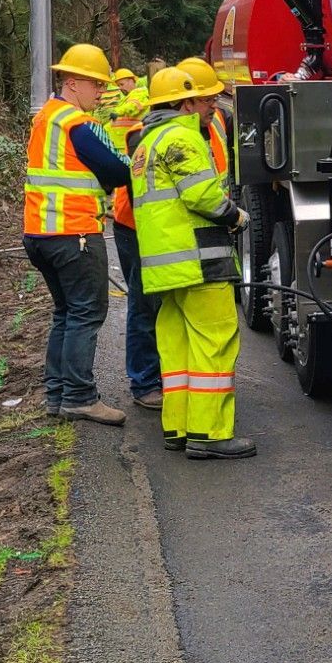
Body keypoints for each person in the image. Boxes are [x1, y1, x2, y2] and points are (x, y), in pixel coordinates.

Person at [131, 64, 255, 460]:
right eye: (206, 100)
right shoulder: (182, 137)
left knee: (177, 347)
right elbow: (202, 196)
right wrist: (236, 216)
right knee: (214, 343)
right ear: (185, 103)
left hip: (165, 269)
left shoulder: (146, 143)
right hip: (200, 262)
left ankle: (179, 428)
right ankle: (210, 434)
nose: (211, 108)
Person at [22, 43, 131, 425]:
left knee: (66, 313)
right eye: (96, 85)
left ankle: (57, 395)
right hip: (75, 233)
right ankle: (80, 397)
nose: (101, 92)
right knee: (85, 314)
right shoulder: (78, 124)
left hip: (40, 233)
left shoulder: (46, 117)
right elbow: (119, 170)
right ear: (72, 83)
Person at [99, 69, 161, 412]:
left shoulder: (207, 127)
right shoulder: (143, 132)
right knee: (143, 301)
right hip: (135, 225)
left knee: (163, 302)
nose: (213, 105)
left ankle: (162, 376)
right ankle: (145, 381)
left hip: (165, 228)